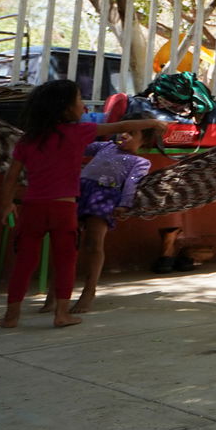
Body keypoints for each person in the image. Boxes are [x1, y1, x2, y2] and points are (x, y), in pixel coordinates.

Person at [0, 80, 163, 329]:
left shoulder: (28, 140)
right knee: (66, 260)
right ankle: (62, 314)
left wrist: (6, 204)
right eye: (79, 100)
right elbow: (122, 125)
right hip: (64, 210)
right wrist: (154, 123)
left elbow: (11, 176)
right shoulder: (79, 132)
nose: (83, 105)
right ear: (65, 109)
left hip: (32, 209)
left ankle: (11, 316)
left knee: (24, 262)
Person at [69, 129, 155, 313]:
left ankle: (88, 292)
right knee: (67, 243)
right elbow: (77, 147)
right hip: (77, 192)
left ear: (145, 141)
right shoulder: (105, 146)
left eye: (132, 133)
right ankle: (56, 294)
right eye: (123, 131)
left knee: (93, 243)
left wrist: (124, 204)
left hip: (104, 196)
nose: (124, 135)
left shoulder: (140, 162)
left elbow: (132, 183)